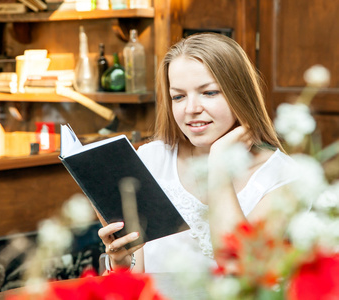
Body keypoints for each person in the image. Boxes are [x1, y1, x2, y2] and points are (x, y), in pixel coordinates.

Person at [97, 33, 297, 273]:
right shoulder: (151, 160)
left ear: (240, 94)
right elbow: (135, 278)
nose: (191, 109)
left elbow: (240, 269)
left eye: (209, 92)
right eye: (178, 96)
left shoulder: (283, 177)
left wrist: (219, 168)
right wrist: (120, 262)